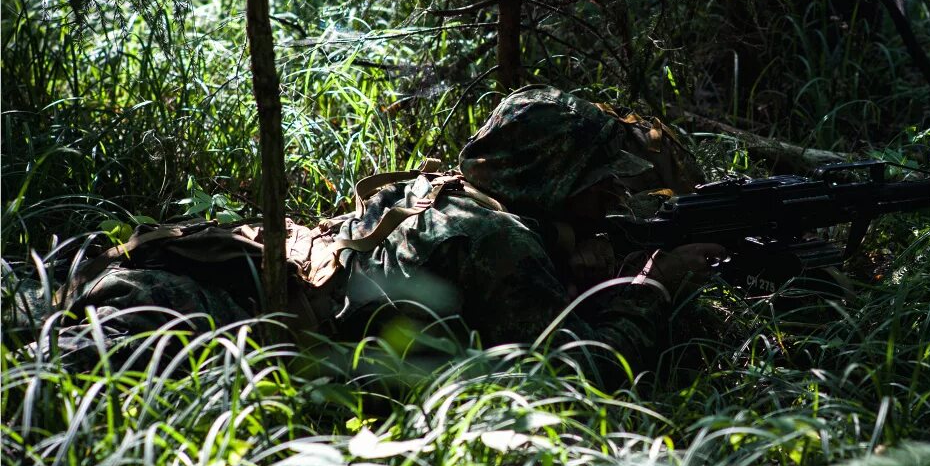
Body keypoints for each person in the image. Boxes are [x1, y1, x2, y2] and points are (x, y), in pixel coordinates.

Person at [42, 86, 724, 379]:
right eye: (596, 180)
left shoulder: (440, 192)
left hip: (210, 261)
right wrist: (650, 290)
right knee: (39, 385)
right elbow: (573, 378)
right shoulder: (500, 242)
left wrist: (579, 263)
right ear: (550, 178)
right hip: (204, 314)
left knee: (36, 305)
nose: (609, 195)